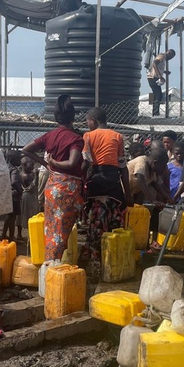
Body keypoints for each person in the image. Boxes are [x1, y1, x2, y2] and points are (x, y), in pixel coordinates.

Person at [22, 95, 84, 262]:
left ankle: (50, 264)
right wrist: (54, 162)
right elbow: (72, 162)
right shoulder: (76, 139)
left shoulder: (49, 136)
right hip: (68, 189)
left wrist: (47, 164)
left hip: (52, 186)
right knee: (61, 233)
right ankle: (52, 268)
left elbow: (26, 149)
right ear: (73, 117)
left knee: (52, 230)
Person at [81, 107, 133, 265]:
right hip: (113, 183)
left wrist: (81, 183)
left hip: (96, 182)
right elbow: (122, 167)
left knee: (95, 221)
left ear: (93, 121)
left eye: (88, 121)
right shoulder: (118, 136)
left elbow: (86, 162)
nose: (87, 124)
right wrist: (128, 194)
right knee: (114, 220)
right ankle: (112, 258)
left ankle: (95, 257)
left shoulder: (88, 136)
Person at [147, 50, 176, 116]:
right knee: (158, 95)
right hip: (153, 77)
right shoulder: (162, 56)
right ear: (169, 53)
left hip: (153, 77)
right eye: (171, 57)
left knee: (156, 95)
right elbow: (154, 64)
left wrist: (164, 72)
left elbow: (158, 67)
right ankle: (155, 113)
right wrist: (160, 76)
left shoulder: (163, 58)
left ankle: (155, 113)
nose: (170, 58)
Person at [4, 150, 22, 241]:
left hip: (7, 194)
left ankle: (5, 234)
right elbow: (14, 182)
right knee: (12, 217)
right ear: (12, 160)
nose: (20, 161)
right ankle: (10, 237)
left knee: (9, 216)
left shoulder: (6, 167)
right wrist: (20, 191)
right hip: (14, 196)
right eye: (18, 159)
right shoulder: (14, 170)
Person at [19, 156, 40, 237]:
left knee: (24, 215)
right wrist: (36, 175)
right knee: (29, 214)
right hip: (28, 196)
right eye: (30, 165)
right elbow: (33, 186)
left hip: (27, 196)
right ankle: (30, 234)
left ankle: (21, 234)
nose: (32, 167)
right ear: (24, 165)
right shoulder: (26, 176)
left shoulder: (22, 173)